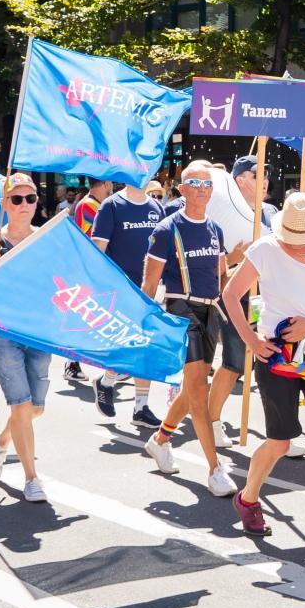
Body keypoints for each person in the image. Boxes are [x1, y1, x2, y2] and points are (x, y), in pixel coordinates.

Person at [219, 192, 305, 556]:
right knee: (280, 442)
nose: (296, 242)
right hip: (275, 353)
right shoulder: (265, 249)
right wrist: (251, 340)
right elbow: (230, 294)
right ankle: (248, 498)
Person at [142, 160, 239, 497]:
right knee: (199, 389)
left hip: (211, 311)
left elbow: (222, 275)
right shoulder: (167, 229)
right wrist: (144, 322)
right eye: (195, 183)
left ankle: (160, 440)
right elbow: (150, 283)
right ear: (182, 189)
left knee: (192, 389)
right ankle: (215, 469)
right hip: (182, 309)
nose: (202, 189)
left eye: (207, 183)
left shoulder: (215, 229)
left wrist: (252, 271)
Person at [0, 173, 54, 502]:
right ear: (5, 203)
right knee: (20, 405)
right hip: (1, 332)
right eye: (16, 199)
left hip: (37, 330)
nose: (24, 204)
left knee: (35, 408)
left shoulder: (45, 239)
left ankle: (2, 441)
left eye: (30, 198)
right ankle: (31, 477)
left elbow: (58, 282)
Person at [204, 154, 275, 444]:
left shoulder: (270, 212)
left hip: (265, 299)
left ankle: (279, 432)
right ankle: (211, 421)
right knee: (234, 362)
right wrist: (234, 257)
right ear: (240, 180)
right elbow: (211, 267)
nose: (265, 180)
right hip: (234, 297)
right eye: (257, 175)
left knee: (268, 363)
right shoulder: (218, 215)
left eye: (266, 174)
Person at [88, 178, 171, 426]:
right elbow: (97, 251)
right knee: (129, 344)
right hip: (120, 291)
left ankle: (139, 407)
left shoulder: (157, 208)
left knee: (145, 346)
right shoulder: (111, 206)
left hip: (150, 290)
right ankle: (107, 382)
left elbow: (163, 250)